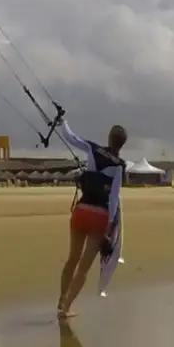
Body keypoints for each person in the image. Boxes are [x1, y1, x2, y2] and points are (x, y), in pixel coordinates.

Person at [57, 119, 128, 318]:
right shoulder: (120, 166)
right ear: (122, 144)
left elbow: (71, 137)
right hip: (99, 217)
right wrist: (110, 227)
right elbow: (113, 199)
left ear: (109, 138)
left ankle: (61, 299)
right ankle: (66, 308)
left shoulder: (93, 149)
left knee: (72, 258)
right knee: (83, 268)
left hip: (80, 211)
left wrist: (63, 121)